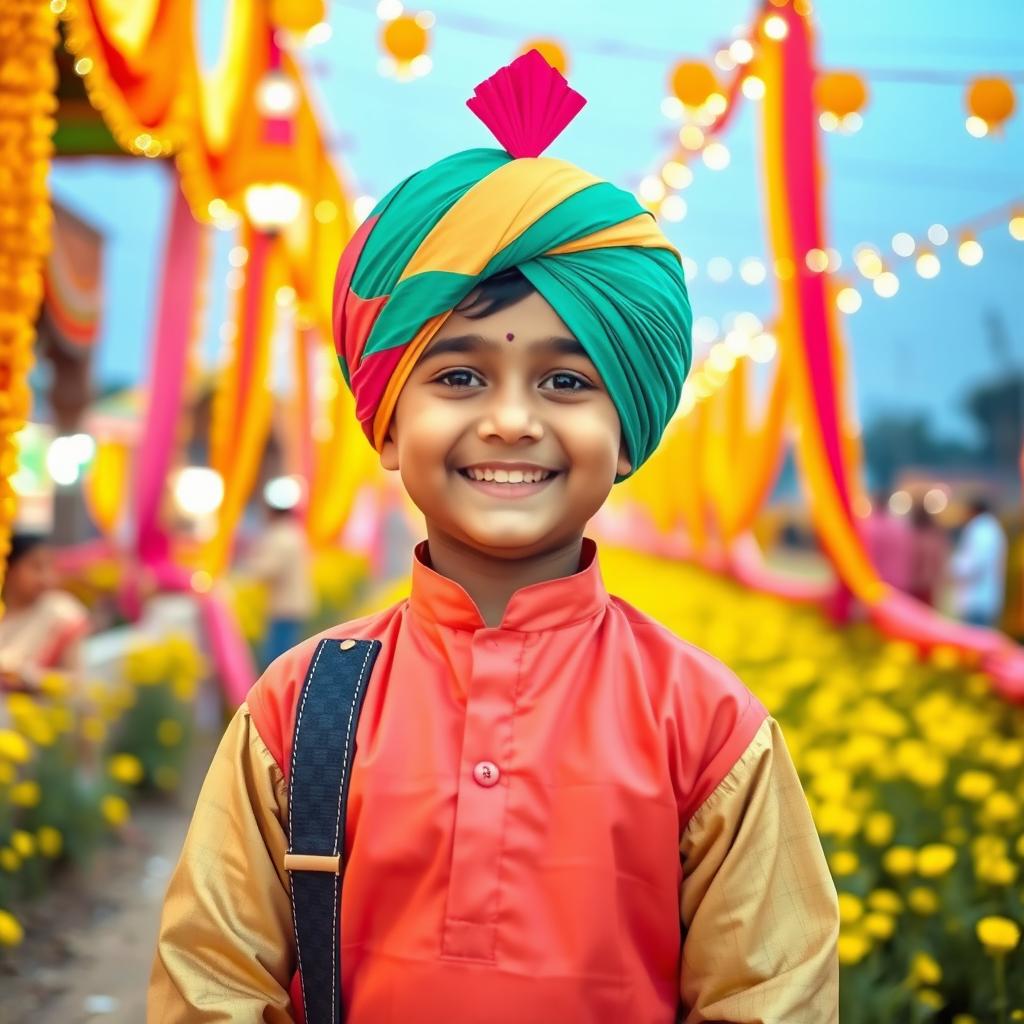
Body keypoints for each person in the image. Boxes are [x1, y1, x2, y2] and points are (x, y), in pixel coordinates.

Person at [149, 51, 838, 1024]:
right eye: (460, 378)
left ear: (628, 430)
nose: (512, 420)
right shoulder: (297, 706)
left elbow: (772, 998)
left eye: (565, 381)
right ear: (386, 423)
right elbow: (206, 985)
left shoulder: (706, 726)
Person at [0, 532, 90, 695]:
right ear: (8, 568)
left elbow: (76, 682)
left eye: (50, 567)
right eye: (36, 567)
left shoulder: (62, 614)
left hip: (36, 715)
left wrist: (31, 678)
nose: (46, 577)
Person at [241, 489, 316, 668]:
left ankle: (281, 694)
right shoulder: (295, 532)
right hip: (294, 602)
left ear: (273, 512)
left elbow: (269, 569)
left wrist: (249, 568)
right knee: (288, 652)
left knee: (279, 659)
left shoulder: (280, 536)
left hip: (284, 605)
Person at [949, 497, 1008, 628]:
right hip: (985, 598)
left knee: (973, 642)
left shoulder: (980, 530)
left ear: (973, 511)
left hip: (975, 599)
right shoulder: (993, 529)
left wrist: (954, 567)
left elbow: (974, 564)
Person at [907, 503, 949, 607]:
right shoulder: (934, 538)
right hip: (928, 585)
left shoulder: (911, 537)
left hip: (914, 585)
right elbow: (939, 563)